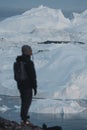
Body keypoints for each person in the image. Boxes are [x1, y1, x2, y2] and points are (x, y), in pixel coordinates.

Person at [14, 45, 37, 125]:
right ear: (27, 51)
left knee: (24, 101)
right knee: (27, 102)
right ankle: (24, 120)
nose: (31, 51)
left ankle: (24, 118)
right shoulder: (28, 62)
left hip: (20, 85)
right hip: (27, 85)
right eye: (30, 50)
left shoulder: (18, 61)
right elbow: (32, 76)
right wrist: (35, 87)